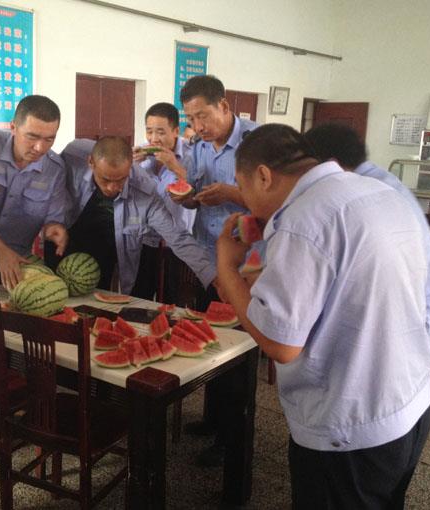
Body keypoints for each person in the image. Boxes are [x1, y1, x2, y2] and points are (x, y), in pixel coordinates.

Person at [216, 124, 430, 509]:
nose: (244, 199)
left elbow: (281, 344)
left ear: (264, 176)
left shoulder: (303, 219)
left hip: (350, 427)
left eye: (241, 185)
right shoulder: (377, 191)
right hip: (408, 407)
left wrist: (227, 268)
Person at [304, 122, 430, 382]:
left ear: (329, 163)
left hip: (399, 342)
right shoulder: (379, 183)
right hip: (412, 335)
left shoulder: (358, 193)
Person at [176, 75, 259, 459]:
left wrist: (231, 194)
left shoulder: (257, 143)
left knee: (237, 350)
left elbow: (276, 200)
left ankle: (231, 439)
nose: (198, 126)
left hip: (246, 263)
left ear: (224, 106)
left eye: (204, 116)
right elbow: (193, 193)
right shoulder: (198, 147)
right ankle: (212, 419)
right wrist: (187, 199)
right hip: (209, 260)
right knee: (210, 340)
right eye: (191, 119)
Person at [57, 136, 217, 296]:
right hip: (64, 239)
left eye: (121, 180)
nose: (112, 188)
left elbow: (177, 237)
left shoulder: (145, 190)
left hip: (105, 251)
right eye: (105, 179)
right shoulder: (72, 155)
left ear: (130, 167)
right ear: (91, 163)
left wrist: (213, 278)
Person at [0, 94, 68, 289]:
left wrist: (52, 229)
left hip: (18, 264)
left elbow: (52, 220)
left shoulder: (55, 169)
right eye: (32, 137)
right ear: (13, 127)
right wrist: (1, 251)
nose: (39, 147)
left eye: (49, 139)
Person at [131, 102, 196, 302]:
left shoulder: (191, 155)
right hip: (143, 240)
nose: (153, 138)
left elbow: (200, 190)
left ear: (176, 131)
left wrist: (174, 165)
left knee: (172, 300)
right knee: (138, 298)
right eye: (149, 131)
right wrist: (128, 166)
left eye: (160, 132)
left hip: (175, 244)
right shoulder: (139, 154)